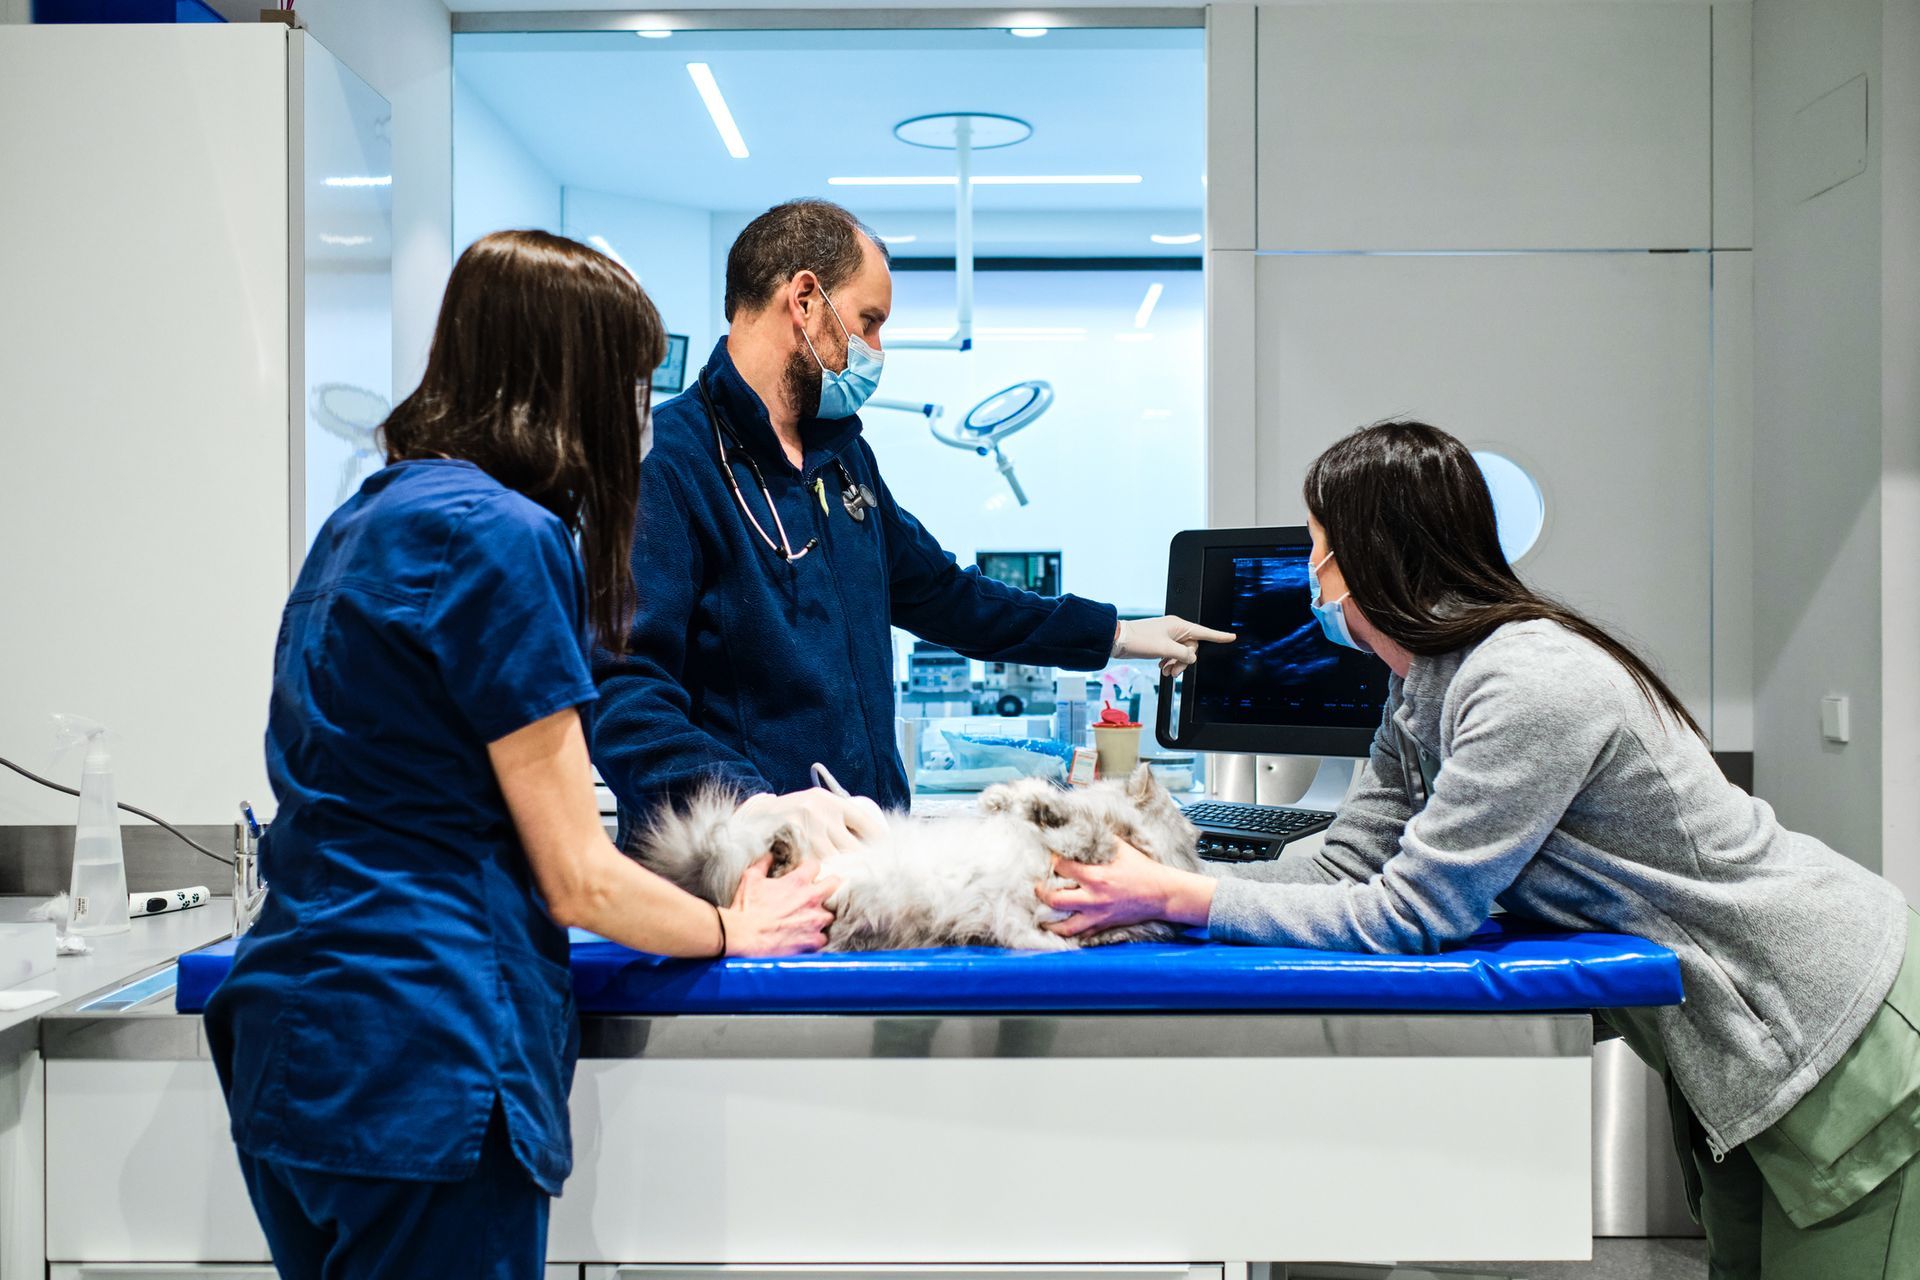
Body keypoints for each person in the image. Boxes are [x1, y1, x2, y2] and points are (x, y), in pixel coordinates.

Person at [1040, 419, 1920, 1277]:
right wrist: (1161, 878)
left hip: (1826, 1020)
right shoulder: (1423, 687)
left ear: (1370, 557)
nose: (1310, 573)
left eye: (1317, 547)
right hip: (1733, 1045)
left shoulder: (1527, 682)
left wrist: (1175, 899)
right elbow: (1348, 865)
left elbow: (1414, 912)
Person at [202, 231, 857, 1280]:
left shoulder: (367, 518)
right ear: (576, 381)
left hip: (293, 1041)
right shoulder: (502, 538)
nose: (638, 419)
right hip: (423, 1057)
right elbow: (577, 873)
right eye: (632, 385)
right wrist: (731, 925)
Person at [590, 198, 1231, 839]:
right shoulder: (665, 462)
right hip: (736, 870)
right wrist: (756, 810)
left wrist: (1116, 633)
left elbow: (950, 598)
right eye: (869, 323)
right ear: (805, 300)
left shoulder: (843, 460)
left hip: (865, 863)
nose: (877, 349)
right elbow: (625, 695)